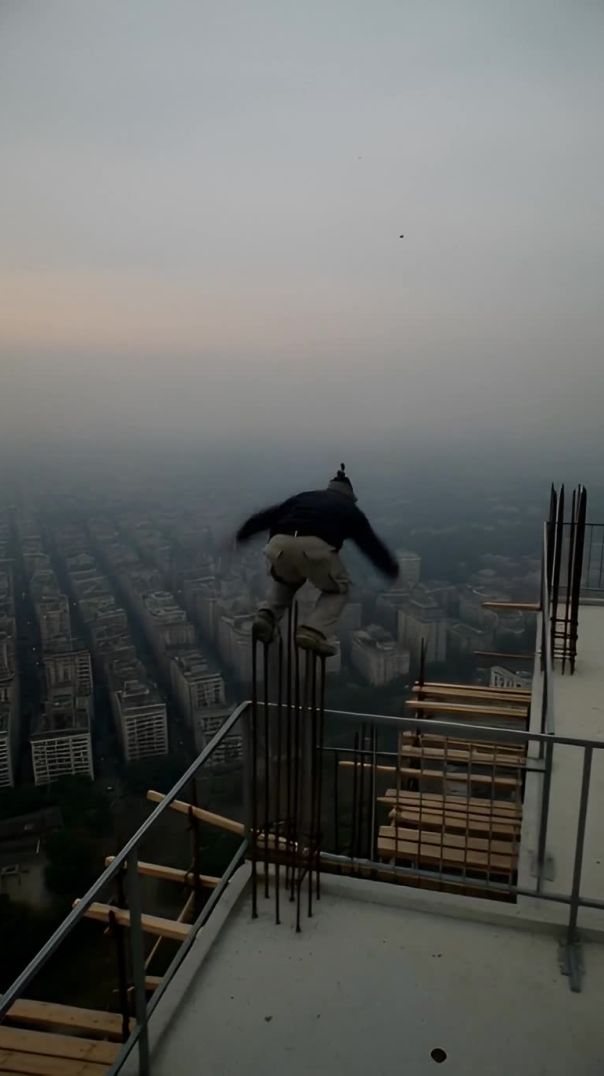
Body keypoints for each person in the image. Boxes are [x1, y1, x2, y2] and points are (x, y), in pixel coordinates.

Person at [235, 464, 399, 656]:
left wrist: (243, 534)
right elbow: (371, 546)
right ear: (350, 496)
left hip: (277, 545)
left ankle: (267, 615)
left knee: (286, 581)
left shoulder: (303, 497)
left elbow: (266, 516)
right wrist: (391, 570)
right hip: (315, 548)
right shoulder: (350, 510)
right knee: (338, 590)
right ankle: (313, 631)